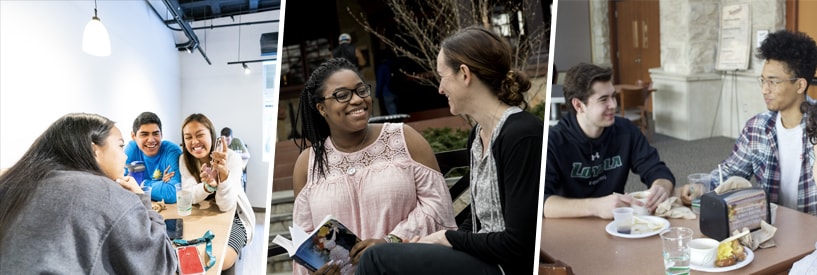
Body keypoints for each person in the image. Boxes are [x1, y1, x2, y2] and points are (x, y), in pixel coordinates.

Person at [355, 26, 543, 275]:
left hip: (506, 268)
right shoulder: (478, 136)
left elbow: (518, 245)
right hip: (482, 261)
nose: (440, 89)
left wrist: (446, 238)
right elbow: (475, 222)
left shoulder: (521, 136)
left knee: (376, 260)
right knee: (385, 256)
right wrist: (428, 244)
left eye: (443, 76)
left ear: (464, 74)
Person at [291, 57, 457, 275]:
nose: (357, 100)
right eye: (342, 95)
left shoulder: (404, 139)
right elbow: (304, 237)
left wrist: (390, 242)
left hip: (405, 268)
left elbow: (438, 207)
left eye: (361, 90)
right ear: (322, 108)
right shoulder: (308, 162)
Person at [0, 113, 177, 273]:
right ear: (94, 150)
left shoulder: (14, 183)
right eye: (120, 146)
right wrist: (140, 198)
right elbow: (161, 264)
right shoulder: (104, 192)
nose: (125, 157)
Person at [683, 30, 817, 215]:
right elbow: (731, 173)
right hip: (773, 227)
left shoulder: (814, 127)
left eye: (773, 82)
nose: (764, 89)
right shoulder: (757, 128)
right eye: (762, 80)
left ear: (800, 85)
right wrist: (700, 187)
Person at [543, 63, 675, 219]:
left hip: (615, 224)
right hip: (568, 228)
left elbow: (657, 170)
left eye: (613, 96)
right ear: (579, 105)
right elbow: (543, 203)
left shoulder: (626, 131)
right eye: (603, 99)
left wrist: (661, 186)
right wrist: (595, 206)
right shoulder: (553, 141)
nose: (613, 105)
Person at [179, 113, 255, 271]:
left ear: (212, 136)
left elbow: (226, 206)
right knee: (186, 255)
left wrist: (223, 175)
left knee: (223, 260)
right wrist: (208, 186)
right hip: (201, 214)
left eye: (200, 135)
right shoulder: (184, 160)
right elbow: (189, 196)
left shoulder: (232, 158)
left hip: (235, 216)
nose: (194, 142)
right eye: (188, 137)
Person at [125, 111, 182, 203]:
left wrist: (140, 183)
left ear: (161, 134)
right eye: (144, 134)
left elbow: (173, 193)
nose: (151, 140)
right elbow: (121, 186)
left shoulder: (172, 151)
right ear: (133, 136)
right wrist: (161, 184)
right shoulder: (132, 149)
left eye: (155, 134)